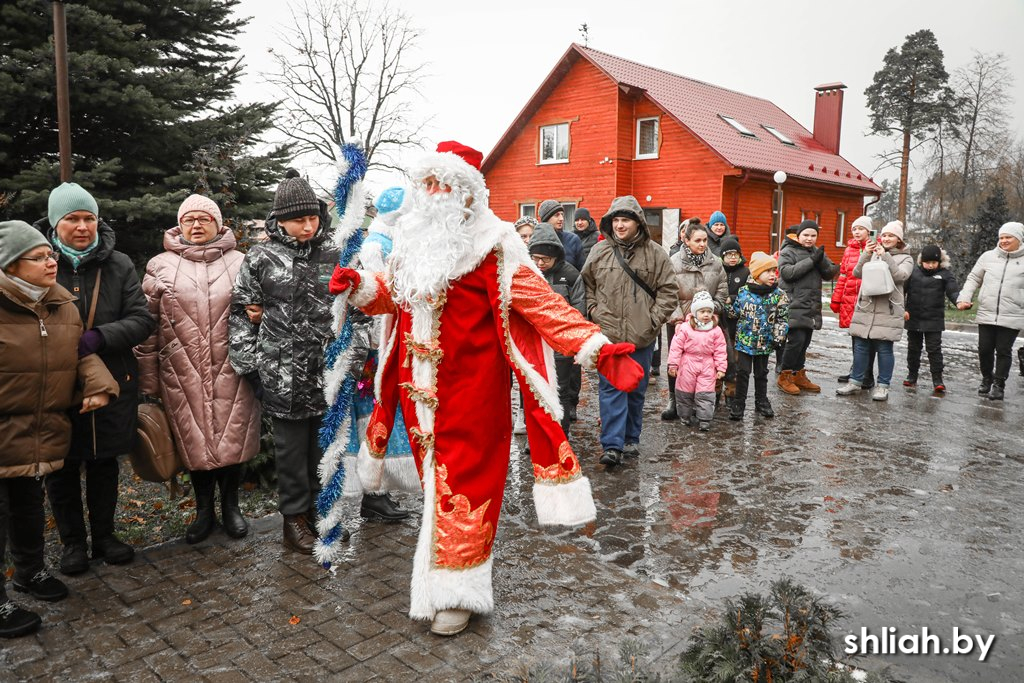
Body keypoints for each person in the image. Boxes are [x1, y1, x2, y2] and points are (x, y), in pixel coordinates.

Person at [330, 141, 643, 637]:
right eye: (427, 184)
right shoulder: (413, 247)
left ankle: (459, 594)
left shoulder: (495, 251)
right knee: (438, 490)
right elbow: (395, 295)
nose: (432, 194)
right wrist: (363, 287)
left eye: (443, 185)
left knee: (466, 491)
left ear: (467, 194)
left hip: (473, 402)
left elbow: (545, 307)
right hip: (418, 399)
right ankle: (440, 583)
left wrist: (596, 348)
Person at [0, 221, 118, 638]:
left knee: (28, 506)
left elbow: (77, 353)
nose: (52, 261)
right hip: (5, 428)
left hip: (40, 427)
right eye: (40, 257)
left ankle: (29, 572)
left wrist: (100, 384)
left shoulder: (59, 303)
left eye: (50, 255)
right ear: (11, 265)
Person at [35, 183, 155, 576]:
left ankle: (104, 535)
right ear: (56, 224)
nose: (83, 226)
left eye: (89, 218)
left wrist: (101, 336)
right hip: (55, 384)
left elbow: (141, 319)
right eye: (73, 219)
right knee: (62, 465)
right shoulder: (37, 263)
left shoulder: (118, 265)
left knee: (105, 462)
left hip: (112, 379)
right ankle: (73, 543)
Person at [135, 195, 261, 544]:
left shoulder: (241, 262)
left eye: (204, 219)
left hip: (233, 366)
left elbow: (258, 313)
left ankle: (232, 507)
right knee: (193, 442)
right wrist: (148, 380)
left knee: (233, 437)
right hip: (180, 371)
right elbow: (147, 326)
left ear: (218, 224)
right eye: (189, 219)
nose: (196, 225)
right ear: (179, 224)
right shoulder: (160, 265)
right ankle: (203, 510)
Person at [229, 169, 342, 554]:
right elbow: (242, 313)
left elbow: (353, 309)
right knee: (292, 451)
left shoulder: (334, 253)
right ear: (280, 221)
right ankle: (294, 520)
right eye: (299, 220)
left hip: (327, 370)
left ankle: (319, 514)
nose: (308, 226)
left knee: (323, 449)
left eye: (312, 218)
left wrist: (352, 356)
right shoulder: (260, 257)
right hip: (282, 373)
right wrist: (251, 367)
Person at [582, 195, 677, 465]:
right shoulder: (599, 252)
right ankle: (612, 445)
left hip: (641, 337)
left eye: (625, 220)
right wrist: (593, 311)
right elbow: (586, 285)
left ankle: (631, 438)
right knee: (610, 388)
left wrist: (652, 321)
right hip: (608, 335)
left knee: (635, 389)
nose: (620, 225)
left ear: (638, 223)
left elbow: (669, 292)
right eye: (616, 220)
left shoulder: (656, 254)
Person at [835, 221, 913, 401]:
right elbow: (856, 273)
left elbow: (901, 276)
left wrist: (885, 256)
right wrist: (866, 254)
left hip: (889, 308)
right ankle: (855, 382)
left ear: (899, 239)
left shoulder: (905, 258)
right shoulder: (874, 252)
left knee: (885, 348)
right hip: (867, 306)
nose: (886, 238)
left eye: (891, 236)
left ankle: (883, 386)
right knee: (861, 346)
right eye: (884, 235)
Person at [661, 219, 727, 420]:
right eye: (697, 240)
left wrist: (713, 310)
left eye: (705, 240)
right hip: (680, 322)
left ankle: (703, 400)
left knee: (706, 361)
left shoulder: (715, 262)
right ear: (686, 240)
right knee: (677, 360)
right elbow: (667, 292)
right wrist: (678, 319)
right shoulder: (674, 262)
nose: (702, 244)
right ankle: (675, 399)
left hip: (708, 321)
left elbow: (723, 289)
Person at [528, 223, 586, 436]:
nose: (540, 263)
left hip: (561, 345)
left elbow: (579, 309)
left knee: (561, 390)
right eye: (536, 258)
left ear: (556, 257)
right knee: (535, 391)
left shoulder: (570, 275)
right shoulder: (526, 273)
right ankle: (536, 435)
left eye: (546, 259)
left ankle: (560, 434)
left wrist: (575, 342)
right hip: (534, 344)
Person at [956, 221, 1024, 401]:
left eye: (1008, 237)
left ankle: (999, 385)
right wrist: (964, 297)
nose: (1003, 241)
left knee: (1003, 349)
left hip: (1013, 312)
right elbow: (973, 278)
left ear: (1019, 238)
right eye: (1001, 237)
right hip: (987, 311)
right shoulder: (988, 257)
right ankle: (987, 378)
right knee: (984, 349)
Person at [777, 219, 838, 395]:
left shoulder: (815, 252)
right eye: (806, 235)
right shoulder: (787, 251)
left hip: (811, 306)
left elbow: (829, 273)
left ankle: (798, 375)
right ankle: (784, 376)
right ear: (798, 236)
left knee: (804, 343)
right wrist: (812, 260)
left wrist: (823, 261)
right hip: (793, 304)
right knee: (794, 342)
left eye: (813, 235)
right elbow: (787, 273)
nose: (809, 238)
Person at [728, 252, 789, 420]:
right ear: (756, 273)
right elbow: (735, 312)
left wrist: (779, 336)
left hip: (765, 342)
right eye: (767, 271)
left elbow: (782, 318)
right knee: (742, 372)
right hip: (745, 342)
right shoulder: (743, 292)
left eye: (774, 271)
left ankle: (761, 400)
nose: (772, 275)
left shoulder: (779, 295)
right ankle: (739, 402)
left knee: (761, 373)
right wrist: (724, 307)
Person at [902, 244, 960, 392]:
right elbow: (901, 291)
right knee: (913, 349)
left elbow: (952, 291)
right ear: (921, 261)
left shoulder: (945, 274)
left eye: (934, 263)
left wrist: (959, 301)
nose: (930, 265)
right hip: (913, 317)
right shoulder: (913, 273)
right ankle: (912, 376)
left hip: (934, 319)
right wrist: (903, 308)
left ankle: (937, 379)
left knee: (934, 350)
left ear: (939, 262)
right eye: (927, 262)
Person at [667, 291, 727, 432]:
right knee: (684, 392)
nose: (706, 315)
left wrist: (721, 368)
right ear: (695, 312)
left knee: (705, 392)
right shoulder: (685, 328)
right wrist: (673, 364)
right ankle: (685, 415)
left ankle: (704, 418)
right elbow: (676, 347)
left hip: (707, 365)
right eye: (702, 311)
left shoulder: (716, 330)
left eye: (708, 311)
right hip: (688, 363)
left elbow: (720, 350)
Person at [831, 215, 876, 388]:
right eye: (854, 229)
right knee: (856, 337)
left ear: (869, 231)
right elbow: (843, 275)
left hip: (868, 297)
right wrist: (836, 298)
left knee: (868, 338)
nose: (857, 232)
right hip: (850, 298)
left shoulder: (875, 247)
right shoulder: (849, 249)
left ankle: (868, 375)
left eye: (861, 229)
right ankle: (856, 370)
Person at [720, 236, 749, 403]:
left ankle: (731, 392)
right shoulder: (718, 270)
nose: (732, 257)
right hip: (720, 324)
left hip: (738, 325)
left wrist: (731, 297)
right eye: (728, 254)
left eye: (735, 254)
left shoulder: (745, 273)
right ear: (722, 256)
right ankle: (715, 391)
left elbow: (747, 294)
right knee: (720, 357)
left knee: (736, 360)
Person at [538, 199, 584, 271]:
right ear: (546, 219)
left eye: (562, 214)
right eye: (557, 215)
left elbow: (582, 271)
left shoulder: (573, 240)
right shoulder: (536, 240)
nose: (561, 219)